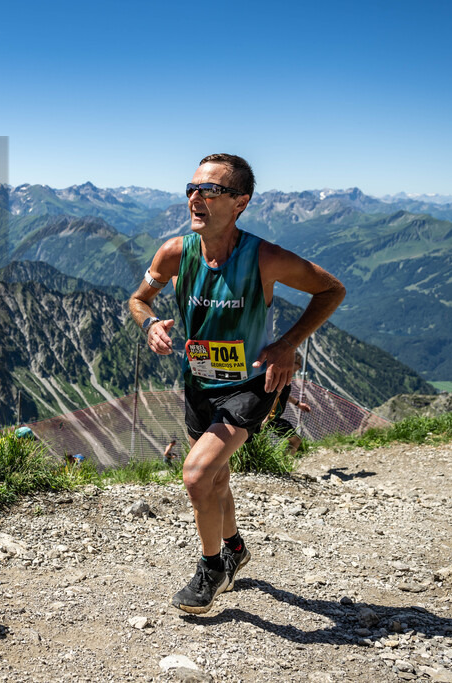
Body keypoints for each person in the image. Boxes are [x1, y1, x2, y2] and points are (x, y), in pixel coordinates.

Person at [128, 153, 345, 614]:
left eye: (210, 190)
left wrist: (287, 344)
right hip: (197, 381)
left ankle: (212, 568)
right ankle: (236, 548)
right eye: (192, 188)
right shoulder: (173, 252)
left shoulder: (263, 257)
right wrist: (149, 325)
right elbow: (139, 299)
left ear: (240, 202)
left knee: (196, 473)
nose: (195, 197)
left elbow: (332, 290)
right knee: (217, 475)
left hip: (250, 384)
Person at [263, 378, 312, 456]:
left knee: (260, 442)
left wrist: (298, 404)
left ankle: (283, 462)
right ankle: (285, 462)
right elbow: (274, 397)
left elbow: (285, 396)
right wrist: (266, 417)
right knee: (296, 441)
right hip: (270, 419)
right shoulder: (281, 378)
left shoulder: (285, 380)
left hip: (270, 418)